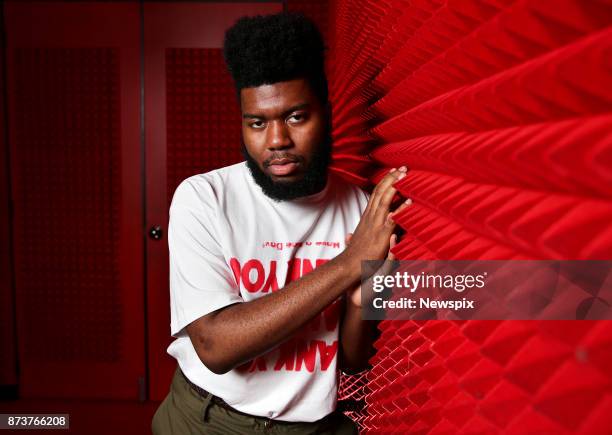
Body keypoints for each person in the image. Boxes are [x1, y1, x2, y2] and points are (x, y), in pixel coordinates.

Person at [152, 12, 409, 435]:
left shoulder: (360, 210)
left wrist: (364, 301)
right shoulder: (203, 198)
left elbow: (352, 359)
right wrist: (349, 263)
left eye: (295, 117)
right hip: (207, 419)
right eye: (257, 123)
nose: (276, 142)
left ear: (325, 113)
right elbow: (216, 347)